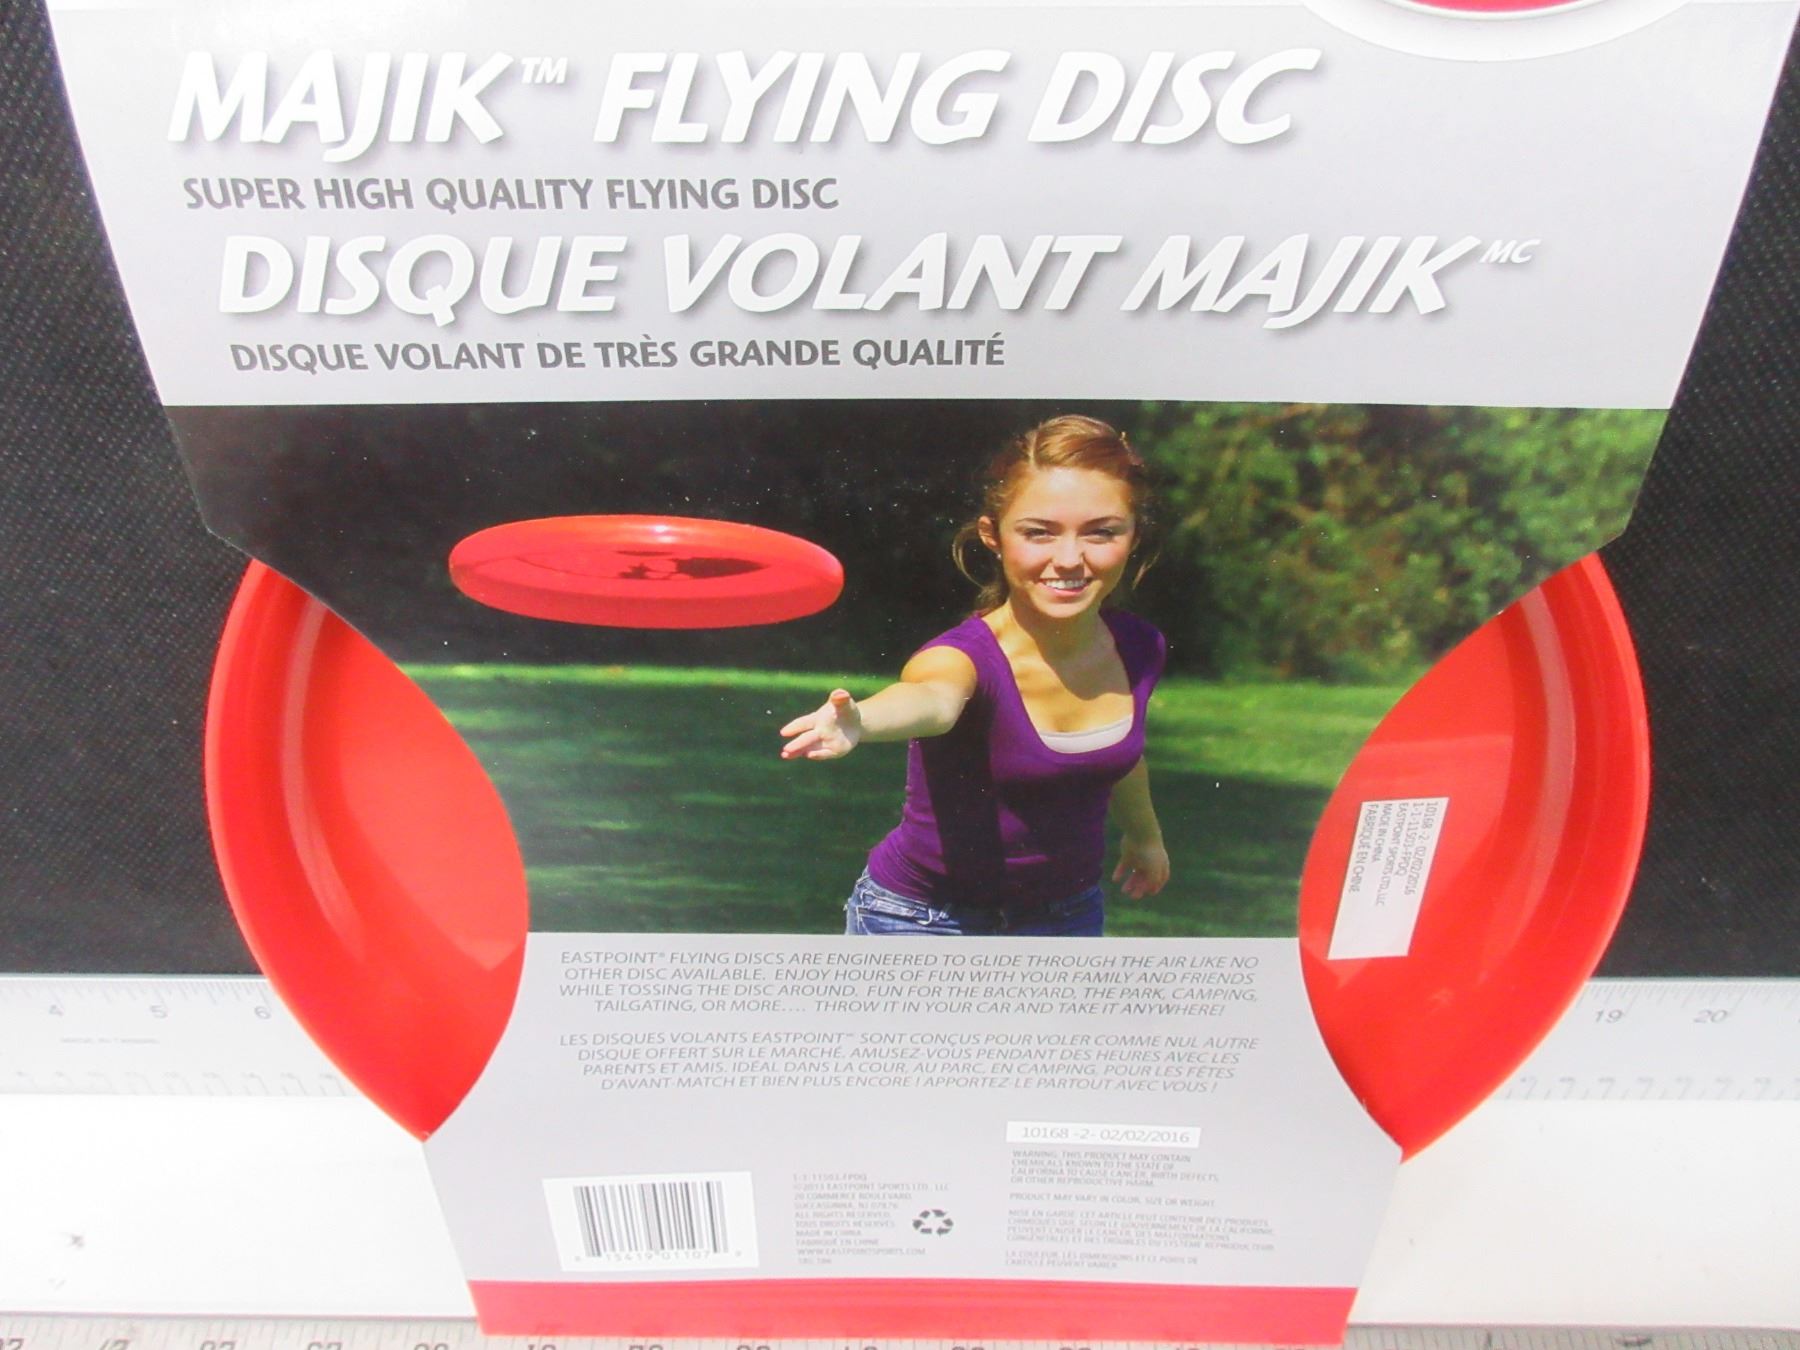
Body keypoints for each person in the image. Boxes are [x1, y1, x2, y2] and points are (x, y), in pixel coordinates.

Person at [780, 414, 1170, 936]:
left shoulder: (1140, 646)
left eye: (1101, 532)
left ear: (1134, 535)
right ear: (993, 535)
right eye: (1038, 533)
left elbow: (1121, 755)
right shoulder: (963, 658)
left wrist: (1145, 838)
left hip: (1066, 916)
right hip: (922, 921)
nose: (1069, 559)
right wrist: (862, 720)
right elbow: (932, 700)